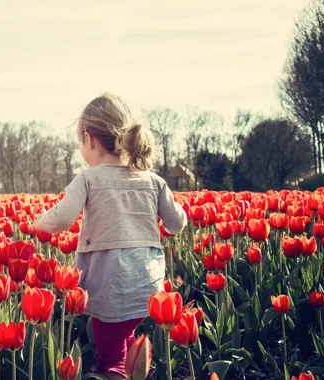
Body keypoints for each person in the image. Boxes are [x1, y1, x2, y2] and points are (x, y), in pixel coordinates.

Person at [32, 93, 187, 380]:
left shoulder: (89, 179)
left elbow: (63, 218)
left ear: (89, 139)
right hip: (148, 282)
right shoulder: (154, 180)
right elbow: (176, 224)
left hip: (109, 280)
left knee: (110, 358)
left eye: (81, 142)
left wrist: (38, 221)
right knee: (128, 338)